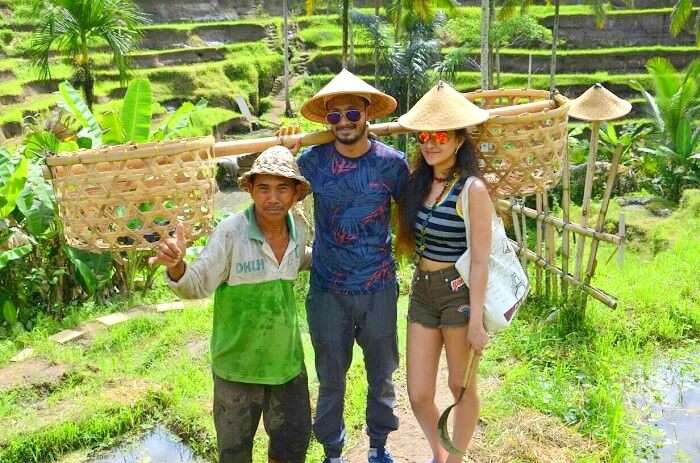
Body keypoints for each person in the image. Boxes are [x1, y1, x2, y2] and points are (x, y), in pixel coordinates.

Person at [149, 146, 313, 463]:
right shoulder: (231, 234)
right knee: (235, 455)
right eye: (263, 188)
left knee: (291, 449)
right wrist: (177, 267)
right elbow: (196, 284)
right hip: (237, 370)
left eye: (282, 188)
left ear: (295, 194)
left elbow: (300, 259)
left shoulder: (299, 230)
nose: (273, 198)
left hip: (287, 365)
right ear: (250, 189)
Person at [281, 69, 409, 463]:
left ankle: (378, 447)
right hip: (327, 290)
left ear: (367, 113)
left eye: (352, 114)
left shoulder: (393, 165)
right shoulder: (312, 162)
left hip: (379, 287)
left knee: (382, 374)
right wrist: (284, 153)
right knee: (331, 377)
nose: (344, 124)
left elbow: (411, 215)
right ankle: (333, 452)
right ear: (325, 121)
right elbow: (273, 192)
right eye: (334, 117)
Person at [395, 81, 492, 463]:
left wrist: (476, 320)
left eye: (439, 136)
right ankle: (440, 453)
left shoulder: (472, 190)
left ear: (458, 141)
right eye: (424, 136)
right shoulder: (417, 183)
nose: (430, 144)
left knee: (460, 385)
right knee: (418, 391)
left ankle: (455, 458)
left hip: (458, 292)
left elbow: (481, 259)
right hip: (422, 291)